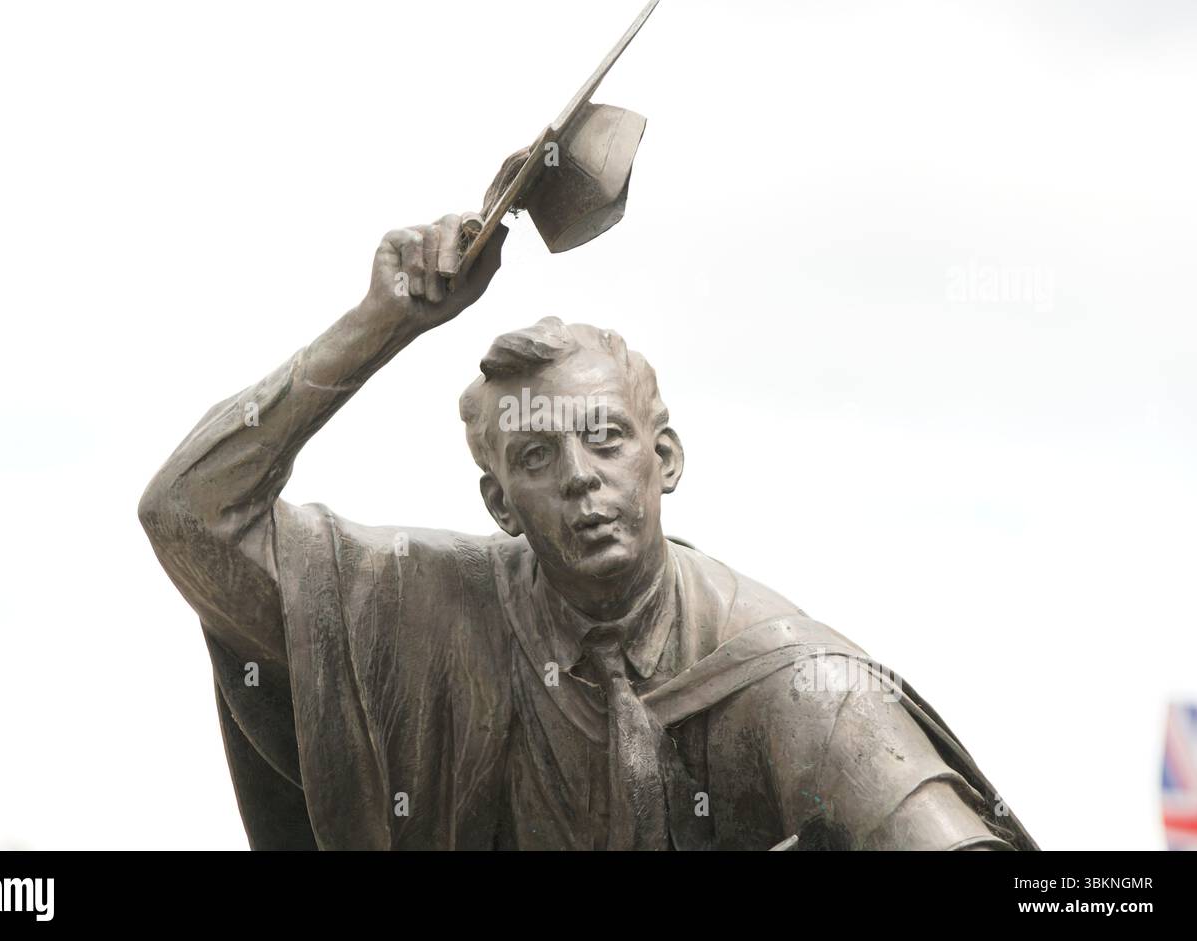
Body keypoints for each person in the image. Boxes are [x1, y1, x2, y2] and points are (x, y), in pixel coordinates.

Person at [138, 213, 1036, 850]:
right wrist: (383, 322)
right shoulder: (424, 612)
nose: (579, 475)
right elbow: (189, 515)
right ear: (499, 504)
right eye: (536, 455)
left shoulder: (793, 685)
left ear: (667, 458)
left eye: (606, 439)